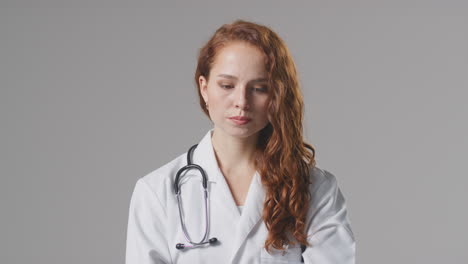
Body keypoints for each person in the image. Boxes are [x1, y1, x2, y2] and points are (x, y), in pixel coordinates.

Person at [125, 19, 355, 264]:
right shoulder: (157, 192)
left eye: (259, 88)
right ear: (204, 88)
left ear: (277, 95)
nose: (241, 101)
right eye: (227, 85)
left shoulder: (315, 189)